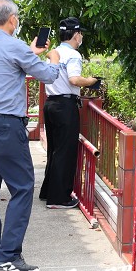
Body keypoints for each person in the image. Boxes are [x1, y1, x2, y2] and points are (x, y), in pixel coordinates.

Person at [0, 0, 65, 271]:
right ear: (12, 19)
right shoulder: (15, 46)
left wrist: (30, 52)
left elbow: (9, 65)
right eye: (18, 16)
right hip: (5, 127)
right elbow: (47, 76)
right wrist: (55, 60)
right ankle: (9, 257)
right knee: (22, 187)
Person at [39, 17, 99, 210]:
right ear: (76, 35)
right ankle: (59, 198)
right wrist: (91, 80)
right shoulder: (73, 55)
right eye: (80, 33)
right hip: (65, 105)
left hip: (51, 104)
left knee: (54, 149)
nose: (81, 37)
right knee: (65, 151)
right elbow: (74, 80)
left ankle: (48, 191)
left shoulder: (54, 52)